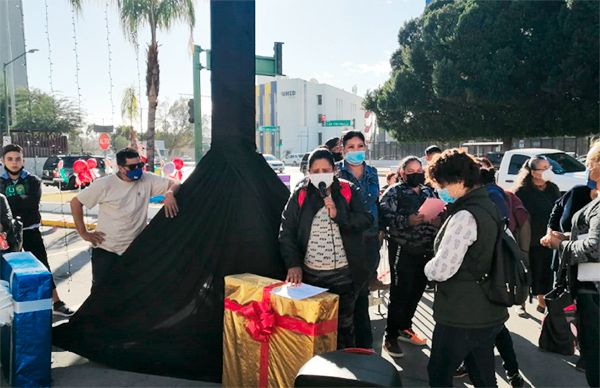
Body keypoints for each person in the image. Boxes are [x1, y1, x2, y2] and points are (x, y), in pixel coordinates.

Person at [425, 149, 508, 387]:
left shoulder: (464, 216)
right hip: (487, 307)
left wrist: (426, 269)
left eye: (441, 184)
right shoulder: (488, 205)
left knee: (439, 372)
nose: (440, 191)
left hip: (461, 312)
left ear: (459, 181)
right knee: (482, 373)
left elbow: (442, 269)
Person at [279, 148, 372, 349]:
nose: (321, 174)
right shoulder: (301, 194)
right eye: (315, 170)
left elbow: (366, 219)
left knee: (344, 328)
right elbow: (286, 231)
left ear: (335, 170)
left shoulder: (348, 191)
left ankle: (343, 371)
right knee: (315, 330)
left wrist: (338, 214)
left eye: (326, 169)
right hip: (312, 277)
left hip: (344, 276)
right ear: (309, 173)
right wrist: (293, 264)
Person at [453, 158, 527, 387]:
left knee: (487, 332)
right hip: (496, 274)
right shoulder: (496, 195)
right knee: (497, 329)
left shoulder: (482, 202)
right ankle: (512, 371)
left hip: (484, 278)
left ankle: (501, 372)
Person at [70, 147, 180, 293]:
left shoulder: (147, 179)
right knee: (101, 293)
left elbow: (175, 183)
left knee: (133, 292)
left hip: (135, 250)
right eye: (133, 167)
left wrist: (170, 193)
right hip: (106, 249)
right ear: (121, 168)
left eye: (140, 165)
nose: (138, 169)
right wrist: (84, 233)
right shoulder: (104, 184)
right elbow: (76, 202)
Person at [542, 141, 600, 387]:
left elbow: (594, 248)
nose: (586, 167)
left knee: (594, 357)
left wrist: (560, 246)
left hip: (593, 290)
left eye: (589, 162)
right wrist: (568, 237)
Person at [0, 144, 75, 316]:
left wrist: (11, 203)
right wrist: (19, 201)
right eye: (10, 159)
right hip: (7, 235)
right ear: (3, 161)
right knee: (6, 269)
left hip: (30, 231)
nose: (14, 162)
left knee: (43, 266)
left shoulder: (33, 181)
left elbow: (30, 205)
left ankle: (56, 303)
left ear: (23, 160)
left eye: (17, 159)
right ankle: (7, 307)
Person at [379, 156, 440, 357]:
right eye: (411, 171)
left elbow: (440, 209)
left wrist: (437, 220)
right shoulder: (394, 191)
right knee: (400, 292)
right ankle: (390, 337)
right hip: (402, 248)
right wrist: (407, 220)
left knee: (416, 290)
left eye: (419, 170)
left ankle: (405, 327)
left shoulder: (428, 191)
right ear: (403, 172)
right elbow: (383, 215)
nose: (416, 174)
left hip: (426, 249)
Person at [336, 131, 380, 349]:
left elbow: (372, 202)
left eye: (359, 146)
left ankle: (364, 345)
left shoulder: (372, 172)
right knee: (349, 293)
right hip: (348, 238)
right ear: (343, 149)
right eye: (350, 147)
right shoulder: (336, 173)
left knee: (362, 293)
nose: (356, 151)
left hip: (371, 238)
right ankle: (349, 344)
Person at [515, 156, 561, 313]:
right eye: (543, 168)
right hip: (529, 238)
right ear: (534, 172)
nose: (548, 171)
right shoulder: (522, 192)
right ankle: (521, 303)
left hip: (548, 237)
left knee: (546, 271)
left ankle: (542, 302)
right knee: (528, 270)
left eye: (549, 167)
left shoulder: (553, 188)